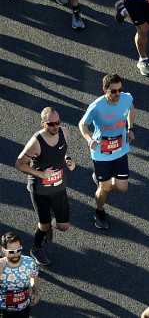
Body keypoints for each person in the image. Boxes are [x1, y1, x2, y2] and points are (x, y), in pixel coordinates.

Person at [15, 107, 74, 266]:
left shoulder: (64, 132)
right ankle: (36, 249)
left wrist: (68, 159)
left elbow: (64, 147)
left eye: (58, 122)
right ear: (43, 124)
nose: (56, 127)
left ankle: (48, 226)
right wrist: (41, 175)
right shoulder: (35, 143)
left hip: (59, 187)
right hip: (40, 190)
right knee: (44, 224)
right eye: (51, 124)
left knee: (64, 226)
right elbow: (19, 164)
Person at [78, 73, 135, 231]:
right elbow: (82, 124)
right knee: (106, 188)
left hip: (120, 149)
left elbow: (131, 107)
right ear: (105, 90)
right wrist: (90, 140)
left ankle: (100, 179)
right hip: (101, 153)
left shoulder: (126, 98)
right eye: (114, 91)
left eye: (120, 90)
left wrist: (130, 128)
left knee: (122, 188)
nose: (118, 94)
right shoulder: (96, 106)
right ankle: (99, 211)